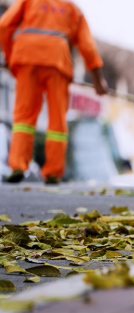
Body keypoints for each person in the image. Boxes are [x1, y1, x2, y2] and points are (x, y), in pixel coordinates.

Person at [0, 0, 107, 184]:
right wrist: (98, 81)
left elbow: (4, 25)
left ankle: (18, 165)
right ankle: (52, 172)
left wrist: (10, 57)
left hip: (26, 56)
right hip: (58, 61)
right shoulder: (73, 10)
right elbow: (88, 46)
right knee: (57, 118)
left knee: (23, 118)